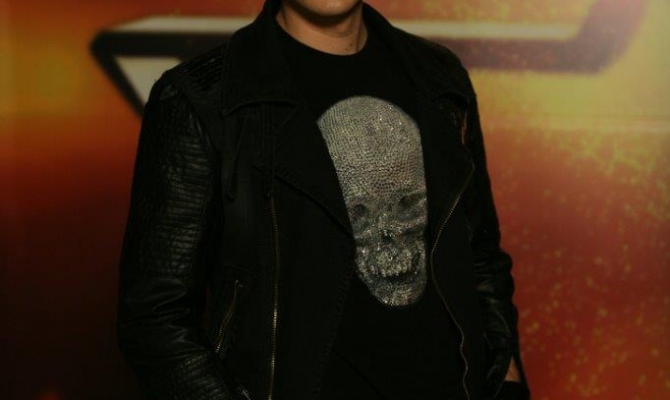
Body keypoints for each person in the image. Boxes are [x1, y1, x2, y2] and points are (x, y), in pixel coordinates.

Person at [116, 0, 531, 399]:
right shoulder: (205, 99)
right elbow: (154, 318)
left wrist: (506, 378)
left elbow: (480, 256)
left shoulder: (439, 77)